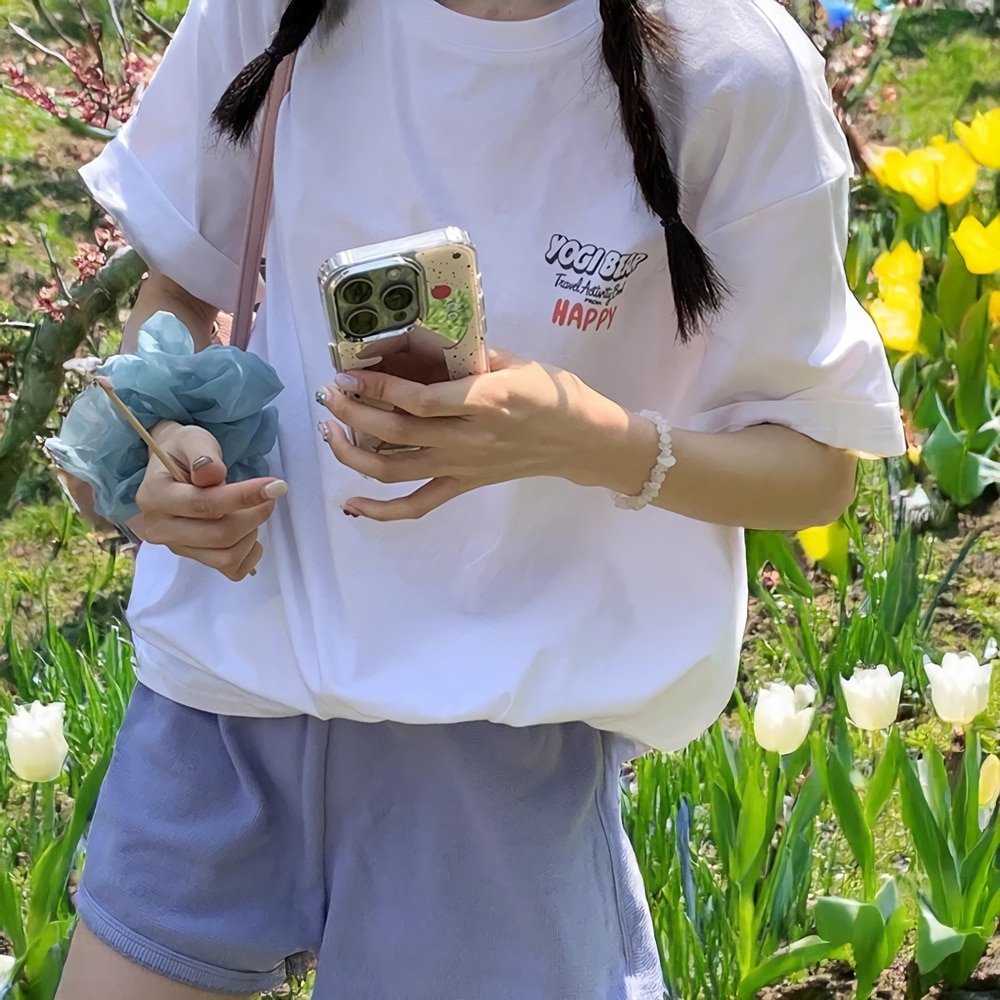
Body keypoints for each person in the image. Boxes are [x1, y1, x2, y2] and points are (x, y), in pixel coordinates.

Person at [54, 0, 906, 997]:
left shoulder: (731, 65)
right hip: (217, 692)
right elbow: (182, 289)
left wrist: (592, 442)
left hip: (494, 740)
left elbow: (815, 468)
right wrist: (164, 442)